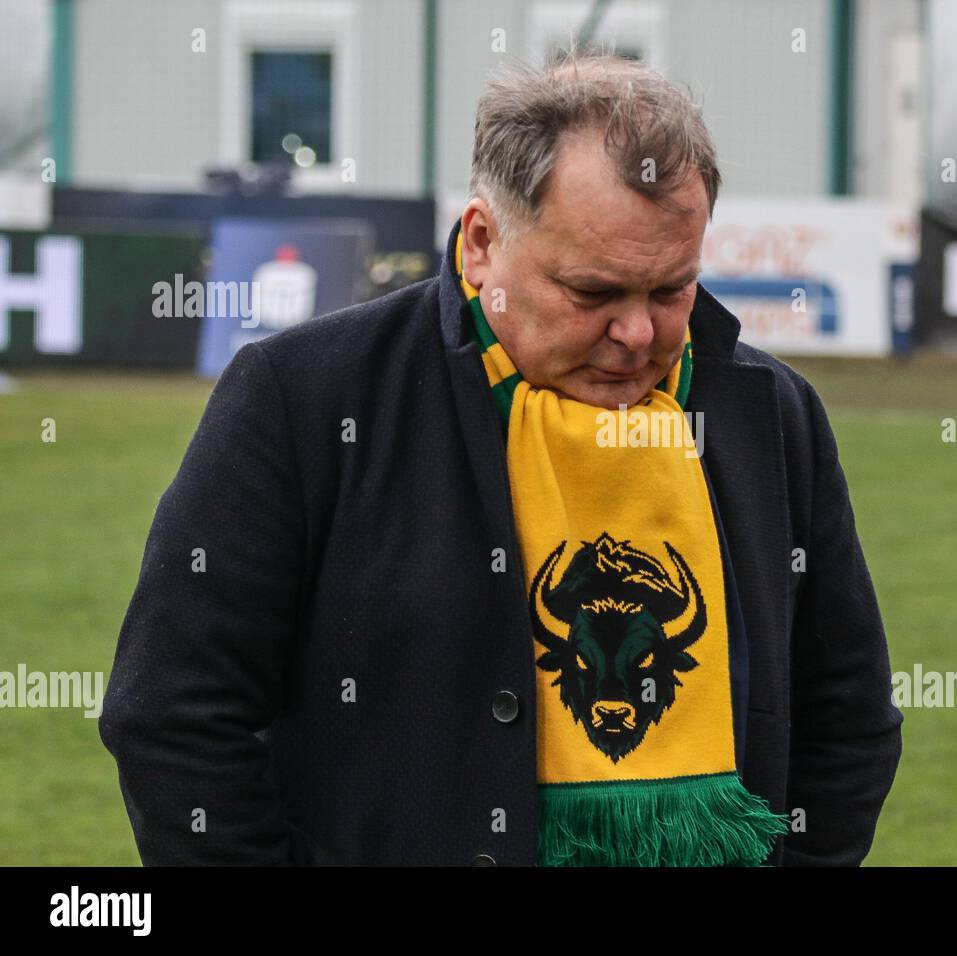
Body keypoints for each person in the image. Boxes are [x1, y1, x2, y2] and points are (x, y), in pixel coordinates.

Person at [98, 52, 904, 867]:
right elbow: (174, 716)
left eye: (671, 290)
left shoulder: (770, 413)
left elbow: (849, 717)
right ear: (483, 243)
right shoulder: (301, 398)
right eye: (593, 293)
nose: (637, 334)